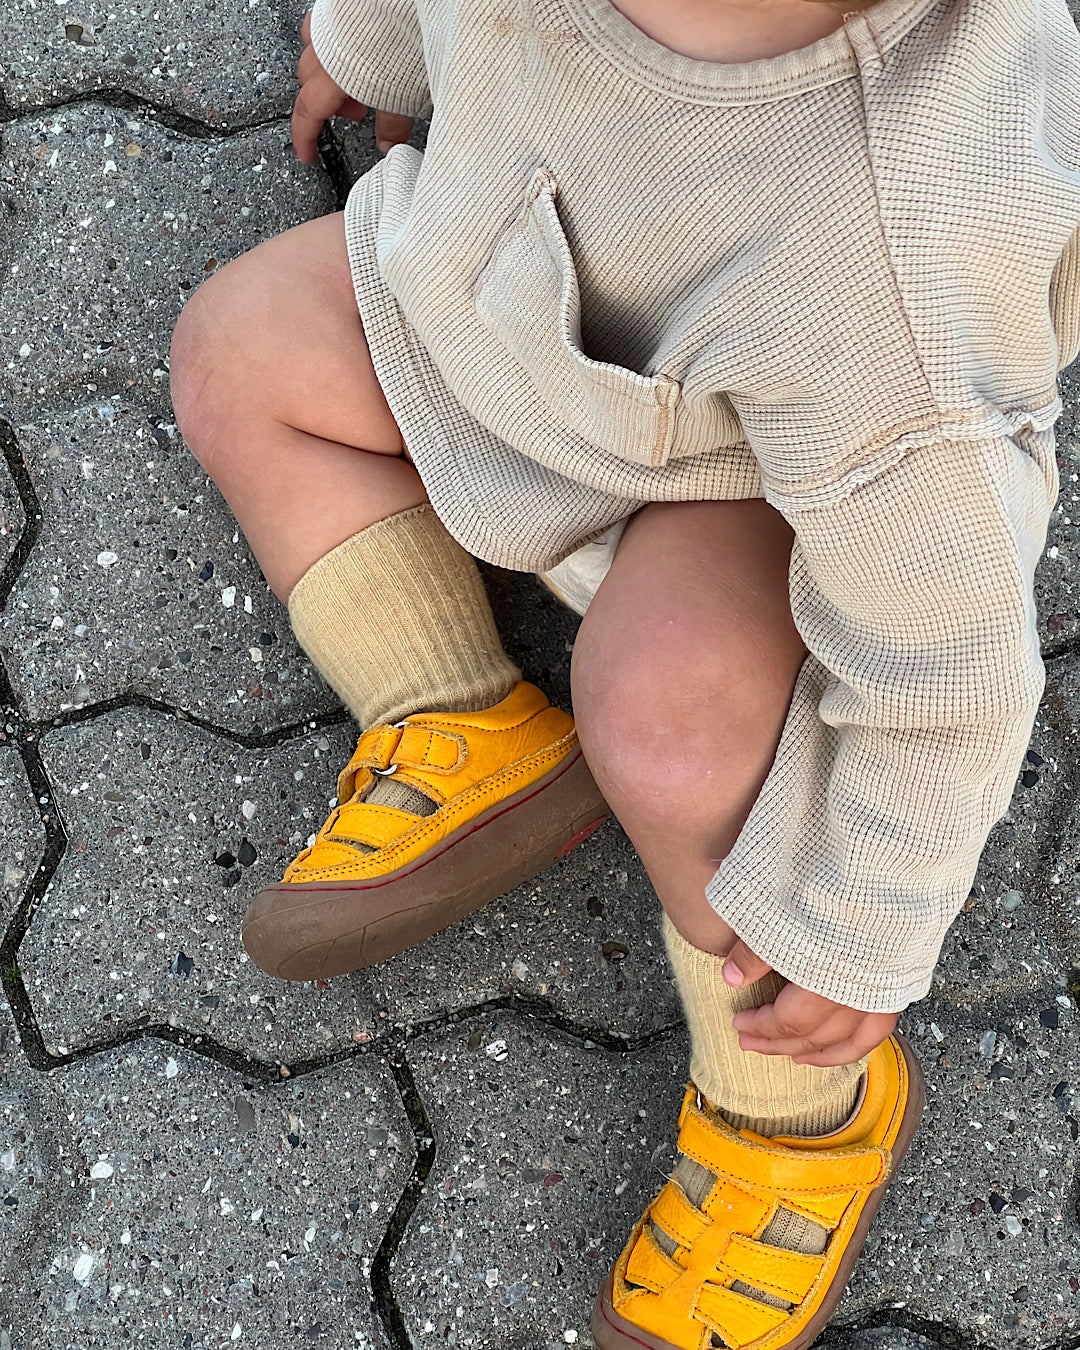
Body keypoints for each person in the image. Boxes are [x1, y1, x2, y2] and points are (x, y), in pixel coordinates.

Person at [168, 0, 1080, 1342]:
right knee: (235, 349)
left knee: (673, 733)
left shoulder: (893, 246)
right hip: (503, 310)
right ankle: (453, 714)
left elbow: (948, 666)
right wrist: (365, 48)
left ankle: (795, 1112)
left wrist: (864, 925)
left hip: (752, 476)